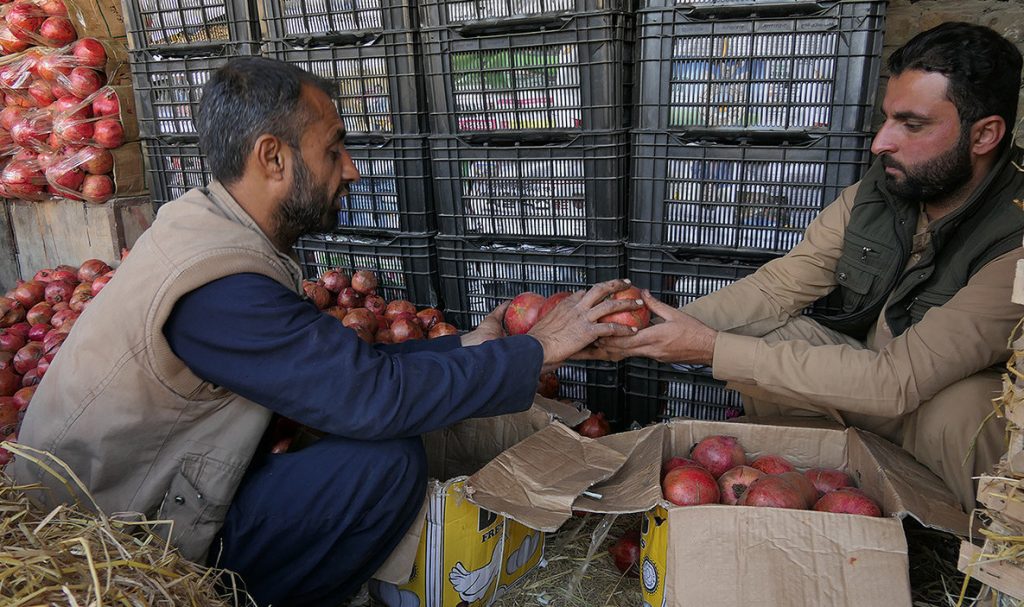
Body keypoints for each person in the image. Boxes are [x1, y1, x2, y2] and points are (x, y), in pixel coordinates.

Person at [11, 57, 642, 606]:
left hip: (135, 497)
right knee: (381, 464)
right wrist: (540, 349)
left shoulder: (209, 227)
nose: (352, 169)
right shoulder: (218, 286)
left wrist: (469, 347)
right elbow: (367, 397)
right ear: (273, 157)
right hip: (120, 543)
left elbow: (335, 371)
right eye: (334, 149)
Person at [584, 22, 1024, 512]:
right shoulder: (884, 190)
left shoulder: (1015, 235)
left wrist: (711, 349)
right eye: (886, 119)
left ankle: (958, 549)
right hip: (869, 389)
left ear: (985, 134)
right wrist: (648, 327)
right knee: (771, 340)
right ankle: (822, 497)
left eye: (912, 125)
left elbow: (898, 380)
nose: (881, 143)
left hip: (924, 405)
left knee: (969, 411)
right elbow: (780, 287)